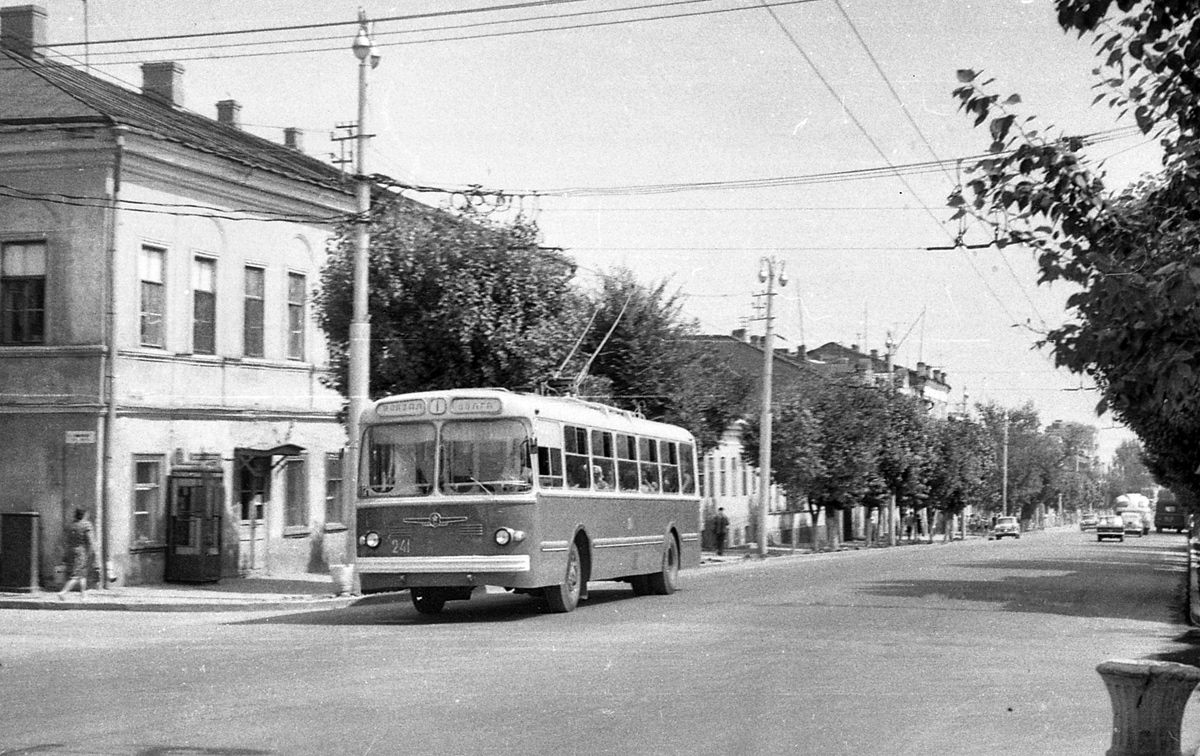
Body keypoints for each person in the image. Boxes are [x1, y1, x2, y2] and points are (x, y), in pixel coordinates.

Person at [58, 507, 94, 600]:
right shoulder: (86, 525)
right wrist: (91, 552)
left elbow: (64, 540)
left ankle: (83, 595)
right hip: (80, 552)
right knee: (76, 574)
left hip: (70, 551)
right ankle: (63, 592)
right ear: (84, 515)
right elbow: (90, 541)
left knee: (82, 574)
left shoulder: (71, 526)